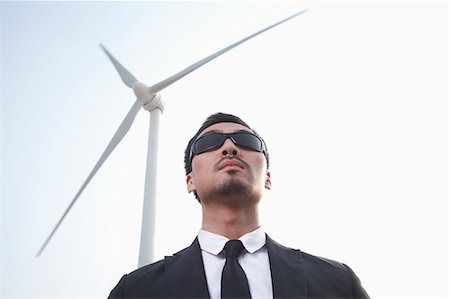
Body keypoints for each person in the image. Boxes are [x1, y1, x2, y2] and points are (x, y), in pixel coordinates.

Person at [108, 112, 370, 299]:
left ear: (267, 177)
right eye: (209, 143)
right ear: (190, 181)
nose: (229, 147)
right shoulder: (134, 291)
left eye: (247, 141)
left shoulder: (338, 282)